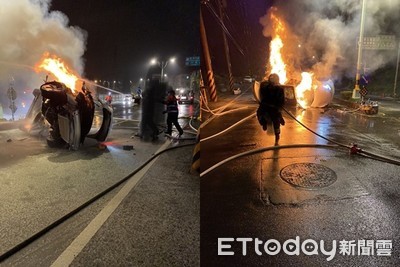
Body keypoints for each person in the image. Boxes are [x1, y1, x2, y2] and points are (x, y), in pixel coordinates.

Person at [257, 73, 285, 144]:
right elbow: (262, 93)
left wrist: (279, 108)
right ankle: (264, 123)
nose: (272, 80)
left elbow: (282, 100)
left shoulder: (280, 89)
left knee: (276, 121)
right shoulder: (265, 87)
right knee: (259, 113)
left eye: (273, 79)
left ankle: (277, 137)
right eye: (271, 79)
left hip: (274, 108)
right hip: (266, 106)